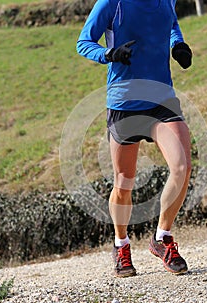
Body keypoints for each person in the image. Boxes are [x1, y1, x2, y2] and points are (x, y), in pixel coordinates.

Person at [77, 0, 192, 277]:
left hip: (161, 98)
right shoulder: (111, 3)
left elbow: (172, 23)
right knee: (123, 182)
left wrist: (178, 44)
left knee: (182, 167)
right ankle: (121, 244)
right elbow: (83, 42)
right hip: (124, 103)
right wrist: (109, 53)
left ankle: (162, 238)